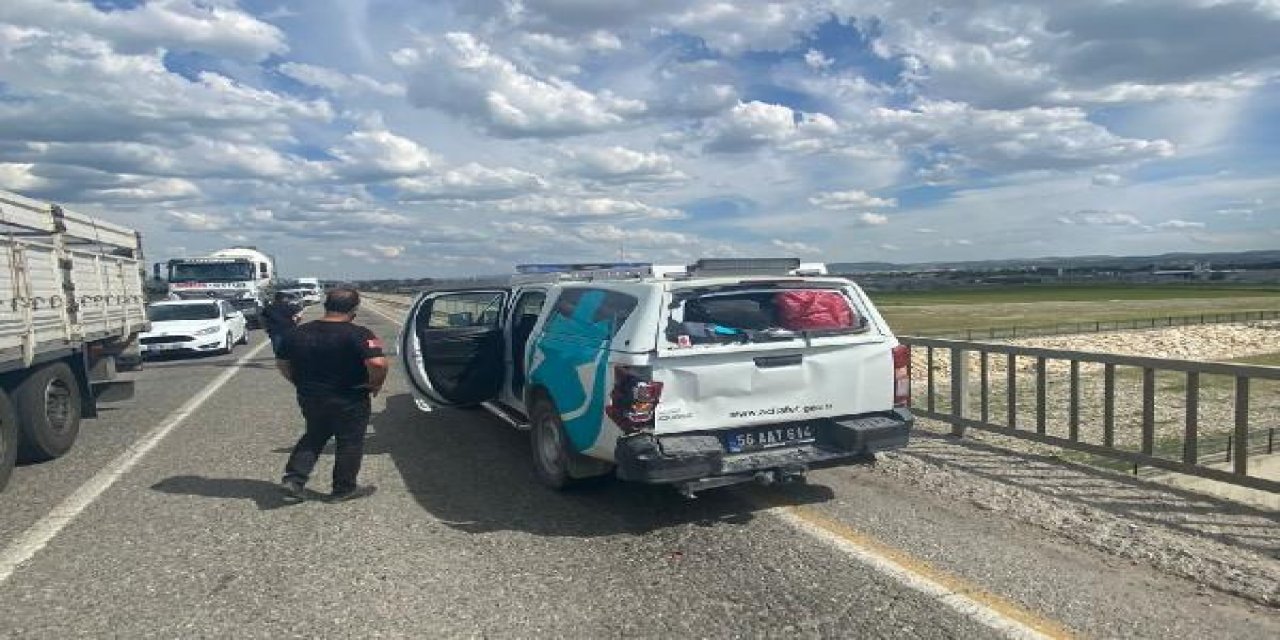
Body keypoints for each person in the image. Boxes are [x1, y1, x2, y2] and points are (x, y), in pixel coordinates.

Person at [276, 287, 388, 503]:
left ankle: (294, 479)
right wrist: (375, 384)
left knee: (314, 435)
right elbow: (378, 363)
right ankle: (344, 488)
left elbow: (282, 363)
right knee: (350, 441)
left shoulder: (296, 333)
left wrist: (299, 382)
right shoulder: (360, 334)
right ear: (354, 309)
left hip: (310, 396)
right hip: (349, 397)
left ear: (326, 305)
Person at [262, 291, 303, 356]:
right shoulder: (289, 306)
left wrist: (266, 328)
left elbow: (263, 319)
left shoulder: (269, 308)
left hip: (275, 331)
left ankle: (280, 360)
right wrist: (297, 321)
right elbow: (299, 312)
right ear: (284, 298)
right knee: (291, 349)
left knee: (278, 351)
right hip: (289, 330)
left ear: (275, 298)